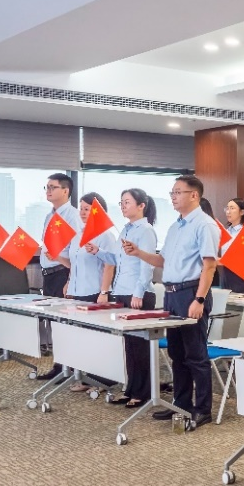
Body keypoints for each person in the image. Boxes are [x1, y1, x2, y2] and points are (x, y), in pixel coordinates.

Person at [124, 175, 219, 430]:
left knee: (195, 354)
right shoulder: (175, 227)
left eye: (178, 192)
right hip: (172, 294)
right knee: (177, 354)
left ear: (194, 195)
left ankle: (203, 409)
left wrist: (199, 299)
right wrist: (138, 252)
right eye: (172, 193)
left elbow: (209, 266)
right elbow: (162, 261)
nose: (173, 197)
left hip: (191, 293)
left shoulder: (205, 225)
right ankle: (181, 403)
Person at [94, 188, 158, 408]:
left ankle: (143, 392)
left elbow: (147, 263)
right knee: (128, 346)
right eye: (121, 202)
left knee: (139, 347)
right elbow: (117, 259)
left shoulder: (145, 230)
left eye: (127, 202)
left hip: (137, 294)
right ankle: (130, 389)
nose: (123, 206)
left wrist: (139, 292)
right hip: (122, 290)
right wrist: (98, 251)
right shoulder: (126, 229)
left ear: (141, 206)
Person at [66, 192, 119, 393]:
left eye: (87, 209)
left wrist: (104, 291)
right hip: (77, 291)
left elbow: (109, 265)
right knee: (81, 337)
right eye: (81, 208)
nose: (82, 212)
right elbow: (74, 262)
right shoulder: (77, 234)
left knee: (97, 338)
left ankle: (103, 380)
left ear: (98, 211)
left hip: (95, 291)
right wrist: (68, 283)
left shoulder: (106, 235)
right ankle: (85, 377)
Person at [34, 172, 82, 380]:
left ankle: (69, 368)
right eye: (47, 187)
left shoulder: (72, 216)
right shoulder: (49, 216)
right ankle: (59, 365)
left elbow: (76, 252)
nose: (48, 191)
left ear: (66, 190)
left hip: (63, 273)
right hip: (49, 275)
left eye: (52, 187)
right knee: (55, 322)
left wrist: (70, 279)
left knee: (65, 322)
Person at [220, 198, 244, 293]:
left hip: (241, 277)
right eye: (227, 208)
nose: (228, 211)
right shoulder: (226, 232)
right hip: (226, 275)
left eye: (232, 208)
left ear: (242, 212)